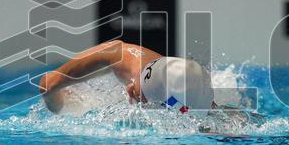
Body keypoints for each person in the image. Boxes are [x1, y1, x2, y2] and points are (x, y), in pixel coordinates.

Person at [38, 41, 215, 114]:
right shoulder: (116, 54)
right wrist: (68, 109)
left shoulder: (194, 89)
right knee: (49, 86)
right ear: (131, 90)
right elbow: (47, 84)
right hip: (111, 55)